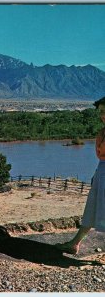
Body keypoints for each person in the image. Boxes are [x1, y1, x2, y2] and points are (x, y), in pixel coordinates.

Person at [56, 96, 105, 255]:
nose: (102, 115)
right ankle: (74, 243)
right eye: (101, 112)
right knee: (92, 208)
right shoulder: (102, 132)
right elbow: (100, 156)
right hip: (102, 172)